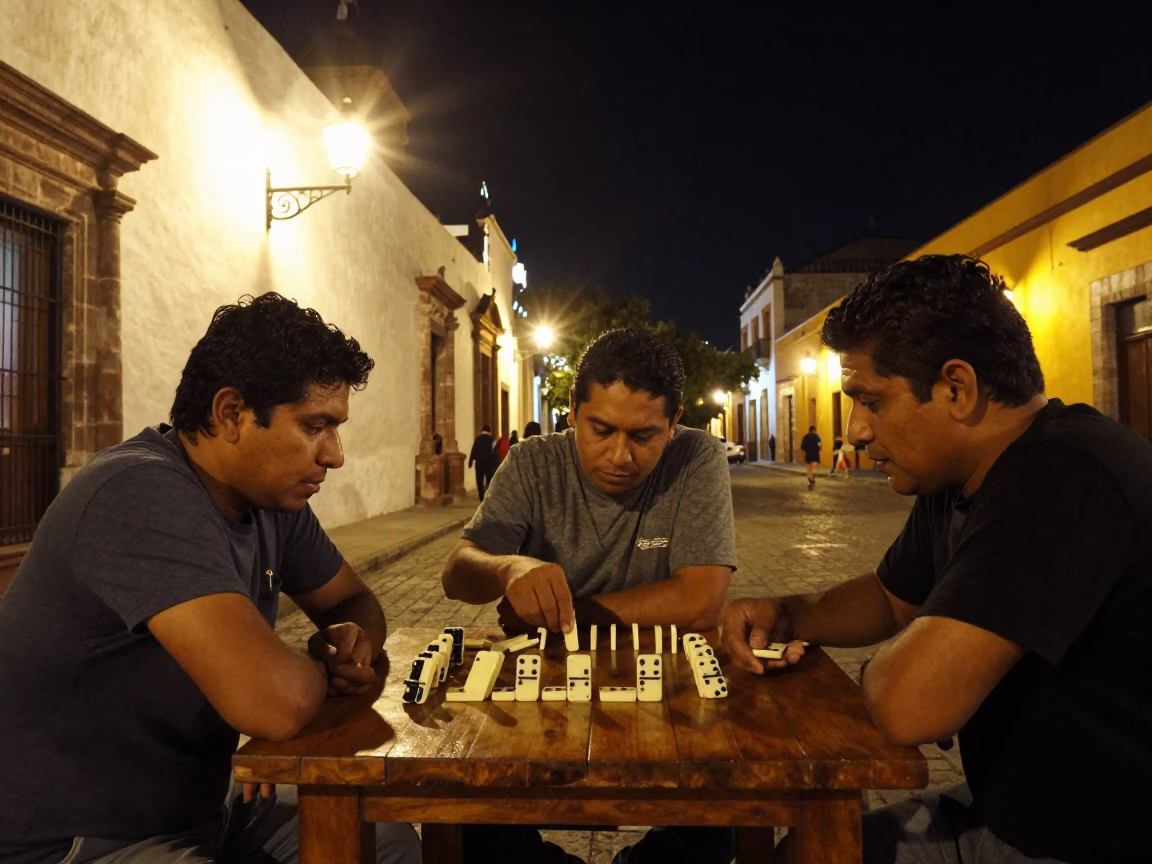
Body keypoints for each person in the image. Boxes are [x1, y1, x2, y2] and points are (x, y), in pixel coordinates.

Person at [723, 255, 1152, 864]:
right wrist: (786, 614)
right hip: (1006, 808)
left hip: (1086, 840)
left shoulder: (1064, 477)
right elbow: (889, 596)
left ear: (957, 388)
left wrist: (896, 671)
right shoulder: (960, 474)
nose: (855, 432)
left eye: (870, 401)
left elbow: (910, 707)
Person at [0, 293, 421, 864]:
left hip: (203, 809)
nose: (335, 455)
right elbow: (271, 703)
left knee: (385, 838)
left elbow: (351, 598)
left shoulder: (272, 501)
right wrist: (312, 678)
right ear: (230, 414)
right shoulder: (138, 493)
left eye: (335, 428)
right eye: (315, 426)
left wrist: (352, 642)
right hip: (79, 839)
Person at [442, 328, 738, 864]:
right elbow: (458, 572)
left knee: (721, 816)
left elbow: (700, 600)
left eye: (644, 435)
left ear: (674, 425)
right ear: (573, 411)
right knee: (469, 816)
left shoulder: (697, 457)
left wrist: (567, 613)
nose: (619, 455)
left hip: (667, 691)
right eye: (601, 429)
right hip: (539, 693)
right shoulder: (532, 461)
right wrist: (509, 566)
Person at [467, 424, 497, 501]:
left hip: (479, 463)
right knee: (489, 480)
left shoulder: (478, 439)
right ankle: (487, 495)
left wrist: (470, 461)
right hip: (488, 463)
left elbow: (473, 450)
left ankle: (481, 496)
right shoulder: (491, 440)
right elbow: (494, 452)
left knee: (479, 480)